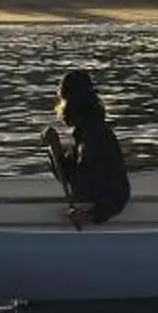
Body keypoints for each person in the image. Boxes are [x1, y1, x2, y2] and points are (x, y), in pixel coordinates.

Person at [45, 67, 131, 225]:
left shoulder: (96, 138)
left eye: (61, 101)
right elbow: (70, 178)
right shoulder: (82, 134)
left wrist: (90, 216)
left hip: (94, 218)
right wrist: (55, 150)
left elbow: (118, 193)